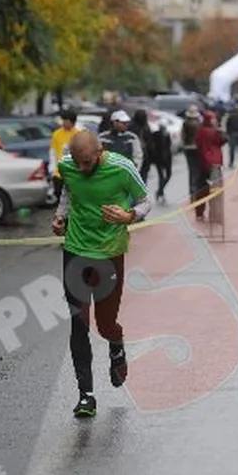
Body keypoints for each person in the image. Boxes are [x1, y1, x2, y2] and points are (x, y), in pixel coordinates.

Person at [52, 132, 151, 418]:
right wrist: (60, 217)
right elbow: (68, 192)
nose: (82, 168)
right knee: (79, 322)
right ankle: (86, 395)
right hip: (76, 250)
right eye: (78, 162)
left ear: (99, 151)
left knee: (105, 324)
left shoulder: (122, 167)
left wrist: (129, 216)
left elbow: (145, 200)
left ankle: (116, 342)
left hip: (109, 253)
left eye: (87, 162)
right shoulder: (67, 165)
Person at [194, 111, 227, 219]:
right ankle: (214, 213)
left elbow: (197, 144)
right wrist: (220, 131)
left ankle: (199, 212)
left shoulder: (200, 131)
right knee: (215, 190)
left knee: (201, 189)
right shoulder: (215, 132)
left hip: (203, 163)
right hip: (215, 163)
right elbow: (223, 140)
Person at [49, 109, 81, 202]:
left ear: (72, 122)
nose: (63, 123)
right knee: (58, 194)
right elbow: (53, 151)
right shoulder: (57, 134)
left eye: (65, 120)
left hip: (74, 172)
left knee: (73, 197)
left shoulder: (78, 134)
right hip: (59, 172)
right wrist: (52, 168)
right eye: (63, 120)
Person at [182, 106, 206, 221]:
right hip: (197, 149)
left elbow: (183, 136)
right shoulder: (200, 124)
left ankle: (191, 194)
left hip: (188, 148)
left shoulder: (185, 123)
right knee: (197, 172)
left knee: (191, 171)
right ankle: (196, 194)